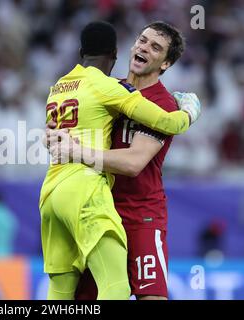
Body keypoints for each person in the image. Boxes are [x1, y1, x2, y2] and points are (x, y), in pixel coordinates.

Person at [39, 21, 200, 300]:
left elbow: (133, 163)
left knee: (151, 297)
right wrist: (52, 137)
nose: (143, 48)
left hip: (141, 214)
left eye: (155, 47)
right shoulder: (108, 89)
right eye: (142, 40)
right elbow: (66, 131)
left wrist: (77, 153)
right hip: (98, 207)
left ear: (166, 63)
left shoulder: (162, 103)